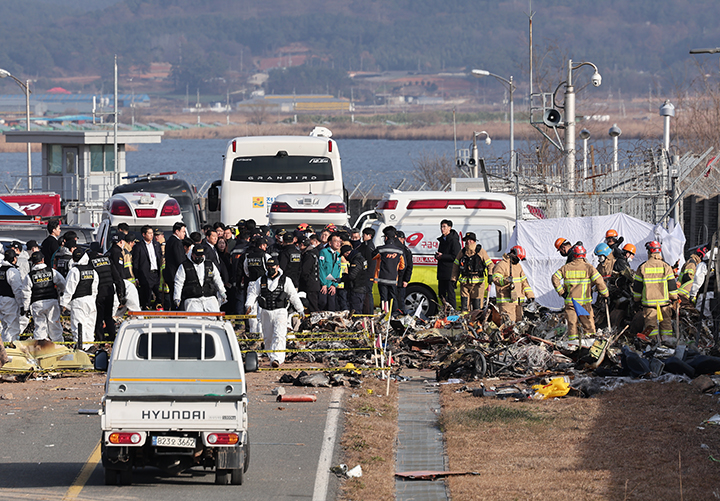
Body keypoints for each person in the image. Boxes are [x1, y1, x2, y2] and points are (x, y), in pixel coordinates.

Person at [245, 257, 304, 368]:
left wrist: (300, 309)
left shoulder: (285, 280)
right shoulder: (261, 280)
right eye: (269, 266)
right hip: (265, 312)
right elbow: (253, 293)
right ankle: (272, 357)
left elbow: (293, 296)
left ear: (278, 267)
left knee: (279, 334)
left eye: (273, 266)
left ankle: (278, 358)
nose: (270, 268)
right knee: (268, 337)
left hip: (280, 311)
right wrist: (248, 304)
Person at [551, 245, 609, 346]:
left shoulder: (566, 267)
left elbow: (554, 278)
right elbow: (599, 281)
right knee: (589, 327)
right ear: (584, 255)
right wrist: (605, 294)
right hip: (584, 303)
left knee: (572, 326)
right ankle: (590, 347)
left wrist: (562, 292)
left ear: (573, 255)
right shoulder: (589, 267)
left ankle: (573, 346)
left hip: (571, 303)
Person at [633, 241, 679, 343]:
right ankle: (668, 345)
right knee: (666, 324)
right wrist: (674, 298)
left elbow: (637, 288)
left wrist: (636, 300)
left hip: (649, 304)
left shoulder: (643, 267)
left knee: (651, 327)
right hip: (664, 304)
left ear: (649, 251)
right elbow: (672, 286)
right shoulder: (666, 266)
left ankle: (653, 345)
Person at [23, 251, 66, 342]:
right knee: (55, 325)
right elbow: (62, 284)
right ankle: (59, 346)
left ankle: (40, 347)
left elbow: (26, 294)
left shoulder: (29, 276)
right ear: (43, 260)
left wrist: (26, 308)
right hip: (52, 302)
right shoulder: (52, 271)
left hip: (37, 303)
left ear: (33, 262)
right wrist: (61, 295)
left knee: (40, 327)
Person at [60, 248, 98, 349]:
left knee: (78, 326)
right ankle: (90, 346)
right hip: (90, 301)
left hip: (79, 302)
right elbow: (94, 289)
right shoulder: (92, 271)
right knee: (89, 325)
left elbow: (69, 289)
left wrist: (64, 304)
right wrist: (92, 300)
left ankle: (80, 348)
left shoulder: (74, 271)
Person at [90, 242, 125, 341]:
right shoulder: (107, 260)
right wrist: (120, 294)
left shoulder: (91, 261)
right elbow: (117, 278)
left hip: (98, 293)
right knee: (108, 317)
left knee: (99, 318)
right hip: (110, 292)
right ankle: (112, 337)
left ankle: (100, 339)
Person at [174, 246, 226, 312]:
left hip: (209, 298)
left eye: (201, 255)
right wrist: (177, 297)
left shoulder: (210, 264)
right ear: (192, 254)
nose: (200, 257)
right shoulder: (184, 266)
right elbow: (178, 282)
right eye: (198, 256)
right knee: (194, 320)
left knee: (214, 318)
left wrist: (222, 292)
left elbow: (217, 279)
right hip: (192, 299)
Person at [450, 232, 493, 311]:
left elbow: (490, 265)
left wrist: (490, 275)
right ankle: (465, 322)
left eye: (470, 240)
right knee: (464, 307)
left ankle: (477, 322)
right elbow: (455, 266)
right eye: (466, 240)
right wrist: (453, 279)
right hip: (464, 284)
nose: (468, 242)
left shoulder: (481, 252)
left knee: (477, 307)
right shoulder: (462, 252)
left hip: (478, 285)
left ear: (474, 241)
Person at [491, 246, 535, 322]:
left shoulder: (518, 266)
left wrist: (530, 296)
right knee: (509, 325)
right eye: (518, 258)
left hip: (518, 303)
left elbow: (524, 282)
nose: (518, 261)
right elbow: (495, 279)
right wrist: (506, 280)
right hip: (506, 302)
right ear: (512, 253)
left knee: (519, 325)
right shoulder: (502, 265)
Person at [372, 227, 406, 313]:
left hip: (382, 278)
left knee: (383, 298)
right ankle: (394, 314)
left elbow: (372, 256)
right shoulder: (400, 251)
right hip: (393, 279)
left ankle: (385, 314)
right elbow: (403, 266)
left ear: (386, 238)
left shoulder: (381, 249)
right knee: (393, 298)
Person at [244, 236, 271, 333]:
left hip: (251, 284)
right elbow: (272, 270)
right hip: (263, 284)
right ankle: (261, 334)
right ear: (262, 245)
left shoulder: (248, 256)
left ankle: (253, 333)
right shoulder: (266, 256)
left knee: (251, 310)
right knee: (262, 310)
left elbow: (246, 271)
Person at [132, 225, 163, 309]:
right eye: (149, 233)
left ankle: (156, 307)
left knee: (159, 295)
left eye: (152, 233)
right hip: (145, 274)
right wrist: (137, 277)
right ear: (144, 234)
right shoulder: (138, 246)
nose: (151, 235)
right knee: (147, 296)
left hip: (156, 273)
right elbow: (136, 262)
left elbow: (159, 257)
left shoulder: (156, 244)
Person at [435, 219, 461, 309]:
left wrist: (443, 256)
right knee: (441, 293)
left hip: (450, 272)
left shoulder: (453, 240)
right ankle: (445, 310)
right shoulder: (442, 240)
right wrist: (438, 256)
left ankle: (452, 312)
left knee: (450, 294)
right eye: (441, 227)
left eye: (444, 227)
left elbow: (456, 256)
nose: (442, 229)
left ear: (450, 228)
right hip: (442, 271)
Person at [0, 250, 24, 343]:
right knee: (12, 327)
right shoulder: (12, 271)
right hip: (10, 301)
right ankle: (9, 351)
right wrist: (22, 305)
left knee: (5, 326)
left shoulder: (1, 270)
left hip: (1, 300)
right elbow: (17, 290)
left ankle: (3, 348)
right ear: (14, 259)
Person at [164, 222, 187, 310]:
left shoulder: (170, 240)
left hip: (170, 273)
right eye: (183, 231)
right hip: (175, 274)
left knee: (172, 296)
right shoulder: (177, 242)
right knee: (177, 296)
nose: (184, 234)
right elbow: (179, 259)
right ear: (177, 231)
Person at [318, 233, 343, 311]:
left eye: (339, 242)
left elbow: (338, 271)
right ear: (330, 243)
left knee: (332, 306)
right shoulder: (324, 252)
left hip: (332, 284)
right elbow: (321, 268)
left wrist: (334, 284)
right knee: (323, 303)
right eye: (336, 241)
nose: (338, 243)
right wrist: (324, 284)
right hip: (324, 283)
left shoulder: (338, 255)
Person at [341, 244, 369, 313]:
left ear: (347, 253)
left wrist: (342, 278)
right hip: (361, 288)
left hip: (356, 288)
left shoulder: (356, 261)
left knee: (355, 311)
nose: (345, 258)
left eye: (344, 255)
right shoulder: (361, 258)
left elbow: (352, 276)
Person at [300, 236, 322, 312]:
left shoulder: (309, 255)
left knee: (313, 307)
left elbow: (305, 271)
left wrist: (306, 281)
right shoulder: (314, 253)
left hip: (310, 284)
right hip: (314, 283)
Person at [396, 231, 413, 314]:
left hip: (401, 279)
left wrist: (406, 280)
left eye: (398, 239)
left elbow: (409, 266)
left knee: (400, 300)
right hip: (394, 279)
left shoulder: (406, 251)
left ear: (403, 239)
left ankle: (401, 315)